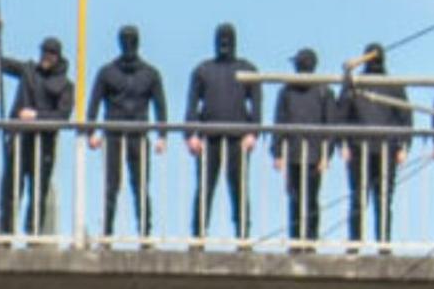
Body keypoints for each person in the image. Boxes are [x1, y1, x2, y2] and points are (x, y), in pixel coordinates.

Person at [86, 25, 167, 243]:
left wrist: (162, 135)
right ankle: (107, 232)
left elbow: (160, 105)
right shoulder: (107, 72)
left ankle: (144, 233)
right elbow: (93, 102)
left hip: (138, 135)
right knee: (112, 185)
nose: (128, 44)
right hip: (113, 134)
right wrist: (90, 131)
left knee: (140, 185)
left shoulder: (150, 73)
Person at [185, 23, 261, 246]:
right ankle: (198, 236)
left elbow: (257, 104)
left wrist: (253, 133)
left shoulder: (247, 69)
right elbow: (191, 105)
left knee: (239, 188)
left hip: (238, 139)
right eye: (221, 39)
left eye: (228, 39)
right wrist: (191, 134)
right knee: (205, 188)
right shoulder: (203, 70)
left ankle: (243, 235)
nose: (225, 44)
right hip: (209, 139)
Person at [0, 37, 73, 238]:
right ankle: (5, 233)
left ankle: (33, 234)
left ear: (57, 57)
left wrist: (37, 116)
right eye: (43, 53)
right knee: (11, 188)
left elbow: (63, 116)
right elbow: (2, 63)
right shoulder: (28, 71)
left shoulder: (65, 85)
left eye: (50, 54)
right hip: (20, 141)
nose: (45, 57)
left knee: (38, 191)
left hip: (44, 145)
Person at [338, 43, 410, 249]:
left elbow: (404, 116)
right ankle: (372, 243)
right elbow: (405, 117)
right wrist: (343, 143)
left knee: (371, 198)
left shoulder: (385, 85)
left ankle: (370, 242)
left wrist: (403, 146)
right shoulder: (363, 84)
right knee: (375, 198)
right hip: (365, 147)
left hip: (379, 147)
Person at [270, 48, 334, 250]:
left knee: (310, 199)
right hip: (295, 153)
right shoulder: (287, 91)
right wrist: (278, 152)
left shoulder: (322, 91)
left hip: (311, 154)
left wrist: (326, 154)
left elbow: (330, 126)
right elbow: (280, 122)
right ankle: (297, 240)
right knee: (297, 198)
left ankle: (309, 240)